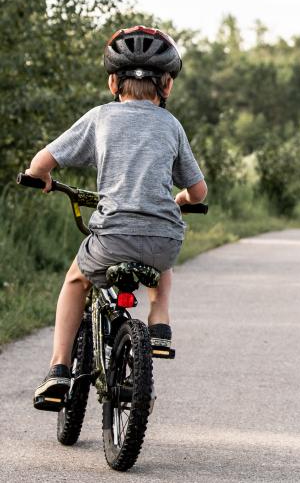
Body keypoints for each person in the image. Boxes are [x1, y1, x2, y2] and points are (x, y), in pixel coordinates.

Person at [28, 26, 207, 410]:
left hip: (113, 236)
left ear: (113, 81)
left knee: (76, 278)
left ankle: (58, 367)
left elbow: (43, 161)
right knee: (162, 261)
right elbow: (199, 191)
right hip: (162, 239)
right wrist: (182, 198)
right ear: (167, 86)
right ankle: (159, 322)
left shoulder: (100, 117)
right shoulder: (172, 126)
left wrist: (40, 177)